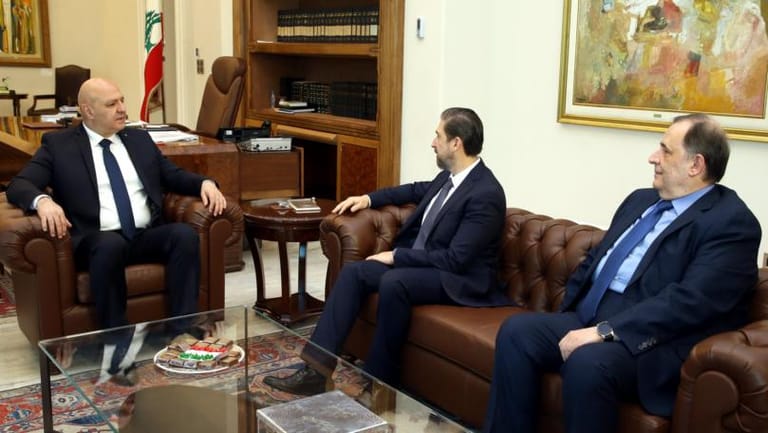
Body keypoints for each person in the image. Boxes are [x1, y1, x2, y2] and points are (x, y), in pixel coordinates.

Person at [482, 113, 761, 433]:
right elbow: (596, 258)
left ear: (695, 165)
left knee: (587, 363)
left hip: (649, 342)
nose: (653, 158)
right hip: (591, 318)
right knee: (517, 332)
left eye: (665, 150)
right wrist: (575, 313)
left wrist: (606, 331)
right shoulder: (640, 200)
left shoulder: (731, 223)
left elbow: (690, 301)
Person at [263, 107, 508, 395]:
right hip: (426, 265)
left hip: (459, 278)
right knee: (355, 273)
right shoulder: (449, 178)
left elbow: (457, 259)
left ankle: (379, 382)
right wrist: (367, 198)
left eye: (438, 136)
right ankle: (316, 370)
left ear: (456, 143)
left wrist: (397, 256)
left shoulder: (485, 193)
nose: (432, 143)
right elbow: (413, 191)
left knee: (395, 281)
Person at [6, 77, 227, 382]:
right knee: (109, 245)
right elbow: (20, 184)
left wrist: (205, 183)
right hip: (94, 240)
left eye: (122, 100)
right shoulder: (60, 146)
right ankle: (117, 340)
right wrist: (42, 201)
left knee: (183, 235)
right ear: (88, 110)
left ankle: (182, 330)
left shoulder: (138, 140)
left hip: (142, 234)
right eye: (112, 104)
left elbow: (172, 175)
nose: (123, 108)